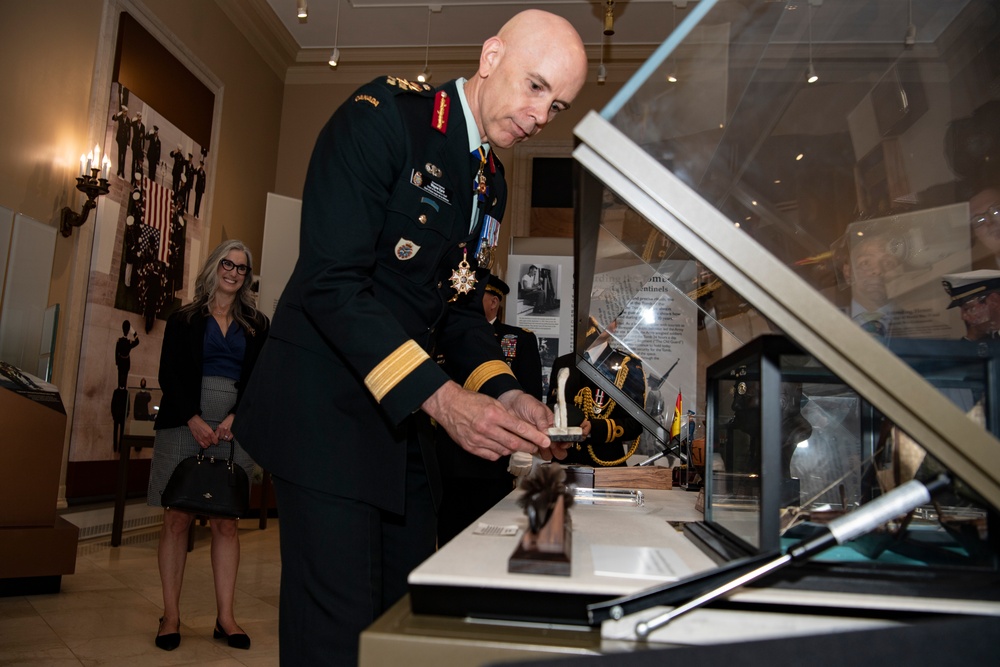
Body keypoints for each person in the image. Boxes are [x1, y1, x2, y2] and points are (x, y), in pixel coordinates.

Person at [232, 9, 588, 665]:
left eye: (558, 104)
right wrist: (446, 400)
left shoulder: (489, 181)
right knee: (335, 634)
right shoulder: (384, 117)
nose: (542, 116)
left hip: (403, 424)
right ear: (492, 55)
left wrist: (505, 390)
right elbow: (331, 284)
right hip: (327, 411)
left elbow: (456, 308)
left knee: (402, 620)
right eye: (536, 87)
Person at [147, 239, 269, 652]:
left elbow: (260, 379)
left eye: (242, 268)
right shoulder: (183, 318)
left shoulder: (258, 323)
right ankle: (171, 615)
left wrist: (239, 416)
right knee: (176, 518)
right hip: (185, 420)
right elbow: (169, 374)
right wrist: (192, 418)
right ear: (215, 267)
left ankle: (226, 618)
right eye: (228, 265)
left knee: (226, 522)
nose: (234, 273)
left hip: (236, 425)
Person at [437, 275, 544, 546]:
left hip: (493, 460)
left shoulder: (518, 339)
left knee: (492, 537)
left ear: (494, 302)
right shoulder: (443, 335)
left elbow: (528, 392)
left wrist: (521, 449)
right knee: (450, 538)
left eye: (475, 295)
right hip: (449, 456)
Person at [547, 317, 647, 467]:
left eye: (600, 319)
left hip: (606, 464)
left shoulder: (627, 366)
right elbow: (552, 408)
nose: (592, 324)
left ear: (613, 326)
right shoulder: (563, 362)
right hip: (564, 462)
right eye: (588, 317)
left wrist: (595, 428)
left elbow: (635, 424)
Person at [941, 269, 1000, 340]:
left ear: (994, 300)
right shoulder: (989, 338)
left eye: (968, 308)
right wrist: (973, 337)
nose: (963, 317)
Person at [115, 319, 139, 389]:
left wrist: (117, 361)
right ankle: (124, 387)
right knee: (125, 375)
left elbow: (116, 351)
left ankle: (119, 386)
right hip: (126, 361)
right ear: (128, 331)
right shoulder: (129, 343)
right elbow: (137, 341)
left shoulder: (119, 341)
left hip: (120, 360)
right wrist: (134, 332)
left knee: (120, 374)